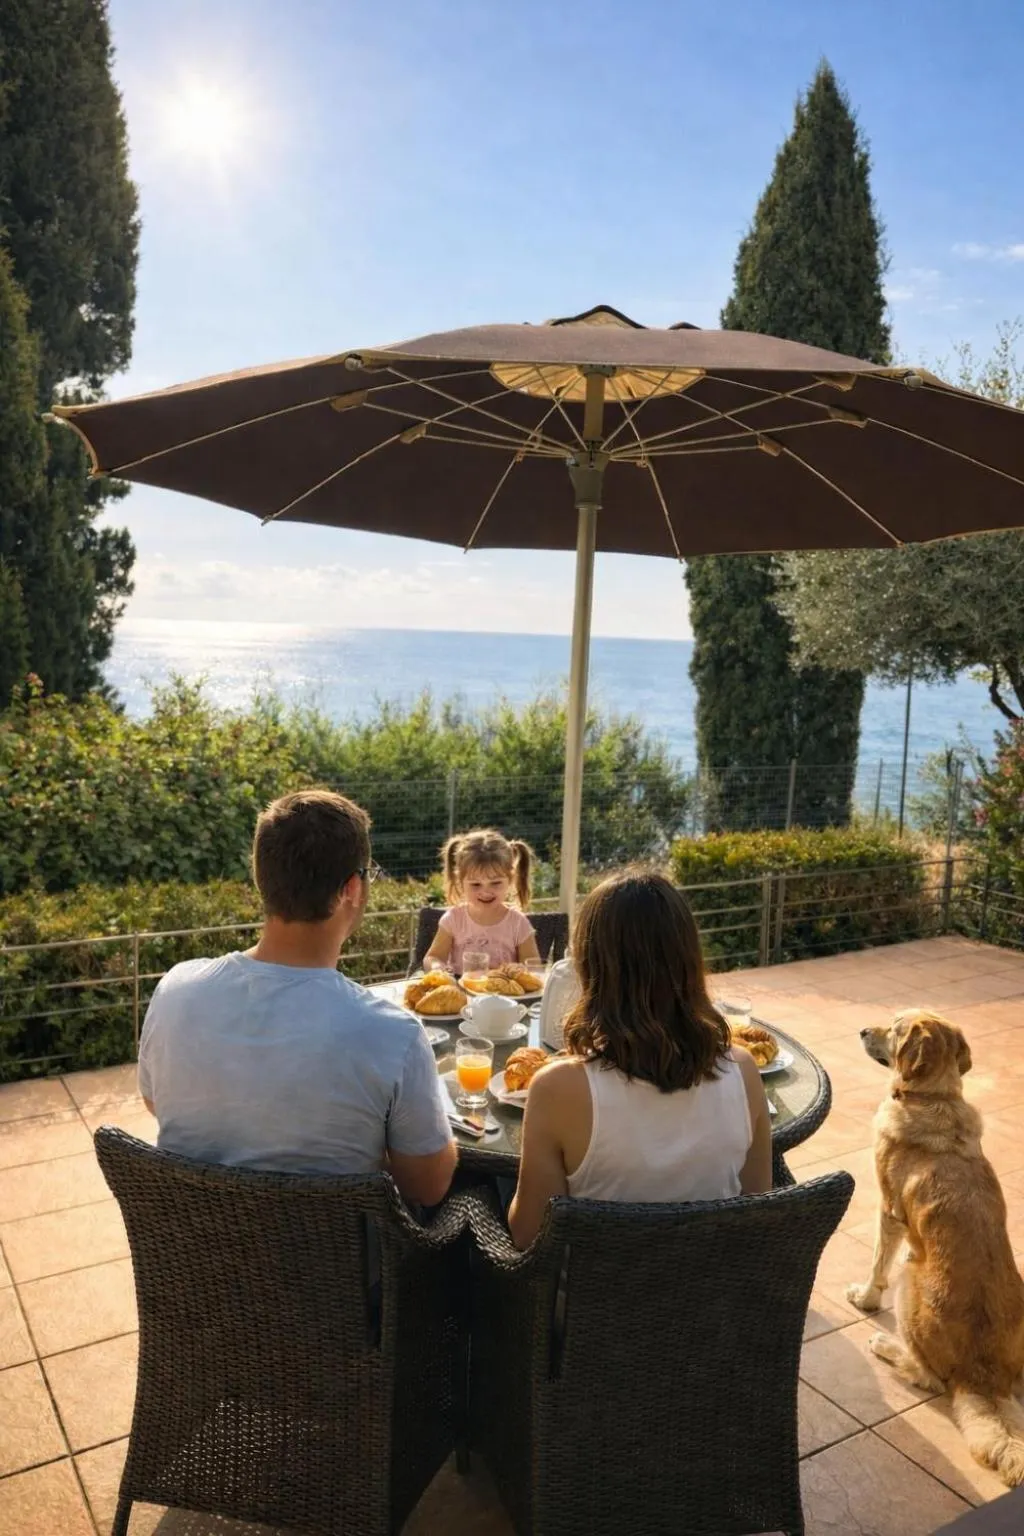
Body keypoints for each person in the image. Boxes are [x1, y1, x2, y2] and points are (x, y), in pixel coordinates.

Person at [138, 788, 457, 1209]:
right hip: (335, 1252)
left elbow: (155, 1102)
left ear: (261, 878)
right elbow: (427, 1186)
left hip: (189, 1241)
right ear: (352, 889)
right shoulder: (393, 1034)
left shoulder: (175, 990)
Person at [507, 870, 772, 1249]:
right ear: (688, 959)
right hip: (713, 1280)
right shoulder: (743, 1071)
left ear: (590, 966)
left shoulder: (557, 1087)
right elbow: (757, 1200)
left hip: (592, 1286)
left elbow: (527, 1234)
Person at [424, 827, 542, 974]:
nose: (486, 892)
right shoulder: (453, 919)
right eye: (475, 884)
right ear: (460, 882)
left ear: (511, 880)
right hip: (460, 988)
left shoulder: (518, 923)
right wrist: (436, 966)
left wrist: (520, 970)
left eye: (496, 883)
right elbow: (433, 957)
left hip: (504, 988)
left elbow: (534, 968)